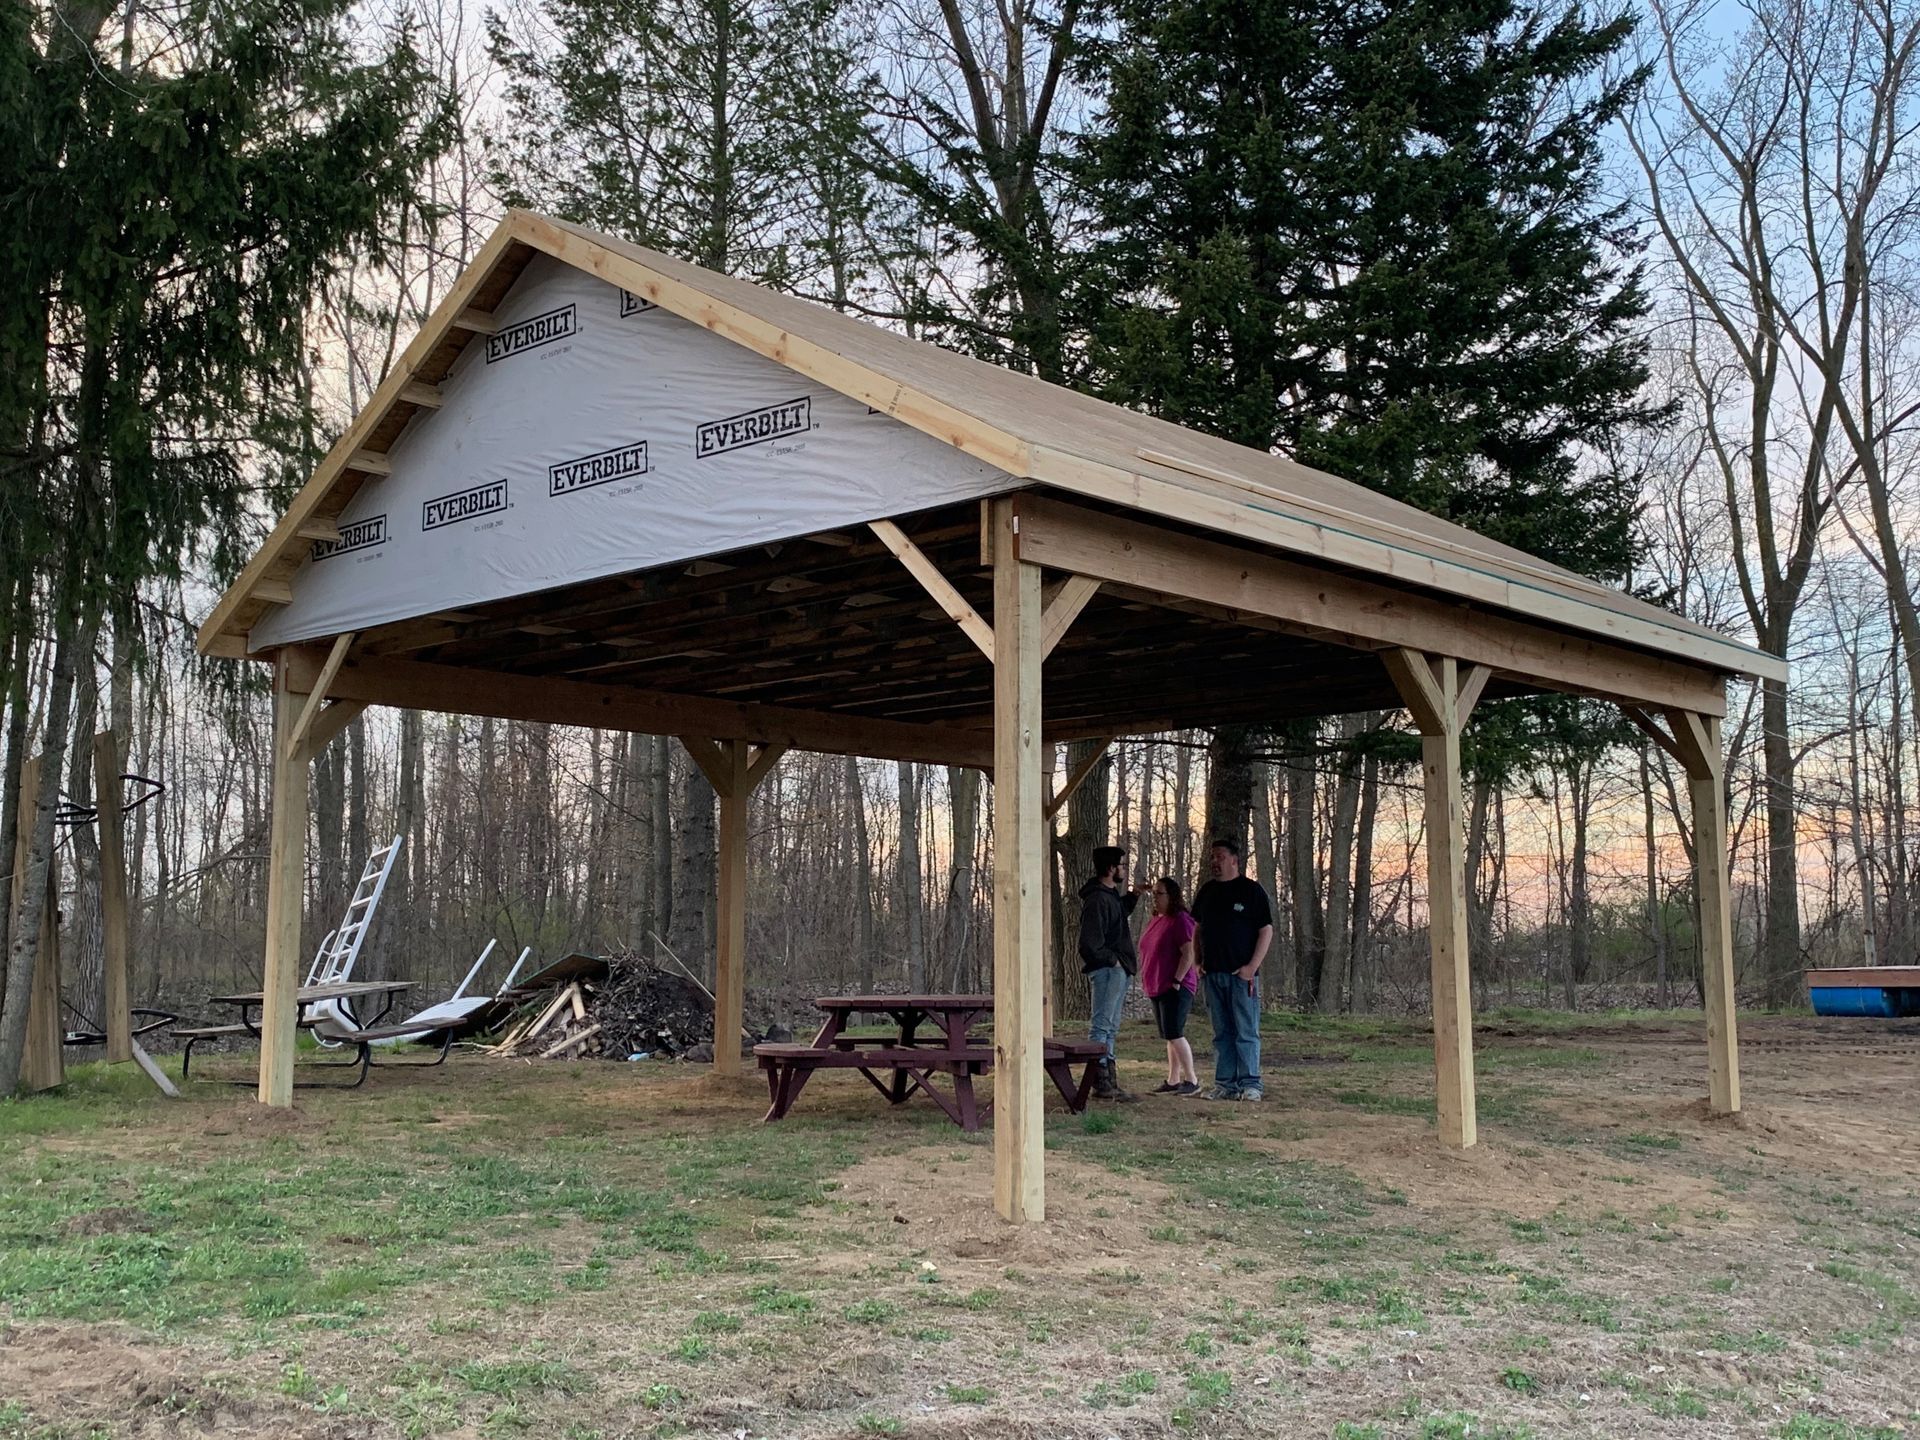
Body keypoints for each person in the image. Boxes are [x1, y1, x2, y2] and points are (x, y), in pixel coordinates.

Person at [1189, 835, 1274, 1102]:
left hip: (1241, 976)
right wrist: (1197, 962)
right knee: (1222, 1033)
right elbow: (1197, 929)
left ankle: (1251, 1084)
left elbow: (1266, 931)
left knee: (1246, 1032)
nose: (1215, 862)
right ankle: (1226, 1084)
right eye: (1212, 857)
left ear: (1235, 861)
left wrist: (1251, 967)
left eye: (1220, 857)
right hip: (1213, 974)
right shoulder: (1207, 892)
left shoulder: (1251, 891)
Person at [1077, 844, 1145, 1101]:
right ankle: (1100, 1080)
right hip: (1108, 970)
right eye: (1121, 865)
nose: (1124, 870)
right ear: (1110, 868)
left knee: (1111, 1027)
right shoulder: (1096, 899)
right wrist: (1112, 961)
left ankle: (1109, 1080)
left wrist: (1134, 896)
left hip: (1117, 969)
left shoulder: (1110, 896)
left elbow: (1116, 916)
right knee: (1101, 1026)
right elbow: (1089, 943)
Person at [1138, 876, 1200, 1095]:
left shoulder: (1181, 919)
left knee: (1175, 1031)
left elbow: (1189, 952)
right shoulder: (1157, 919)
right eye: (1153, 894)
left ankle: (1191, 1079)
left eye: (1160, 894)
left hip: (1176, 985)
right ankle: (1173, 1079)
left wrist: (1177, 980)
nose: (1155, 898)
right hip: (1157, 984)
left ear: (1171, 896)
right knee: (1168, 1033)